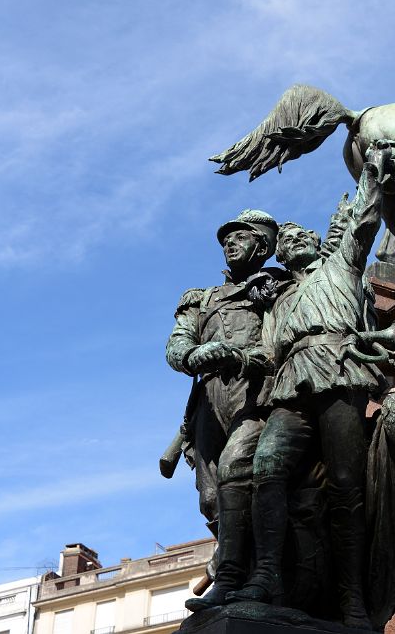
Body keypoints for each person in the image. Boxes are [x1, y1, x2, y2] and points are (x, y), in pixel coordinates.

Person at [226, 143, 393, 629]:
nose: (295, 238)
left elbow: (363, 219)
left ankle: (352, 599)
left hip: (340, 367)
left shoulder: (341, 265)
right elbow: (267, 352)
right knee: (267, 468)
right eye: (288, 238)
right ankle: (265, 576)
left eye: (302, 234)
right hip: (291, 380)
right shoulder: (279, 301)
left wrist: (372, 174)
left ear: (317, 242)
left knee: (347, 486)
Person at [164, 209, 283, 611]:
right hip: (208, 404)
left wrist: (247, 358)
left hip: (255, 396)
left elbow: (286, 341)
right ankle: (240, 564)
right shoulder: (200, 299)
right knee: (211, 500)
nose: (230, 243)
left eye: (241, 236)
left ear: (262, 246)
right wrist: (198, 353)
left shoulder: (276, 288)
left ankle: (231, 577)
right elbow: (176, 348)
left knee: (236, 470)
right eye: (226, 238)